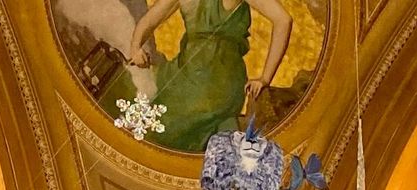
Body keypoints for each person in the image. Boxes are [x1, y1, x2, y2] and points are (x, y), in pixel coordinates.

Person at [121, 0, 293, 153]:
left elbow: (284, 20)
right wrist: (135, 47)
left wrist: (265, 79)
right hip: (184, 72)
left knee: (160, 127)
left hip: (217, 81)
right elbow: (149, 21)